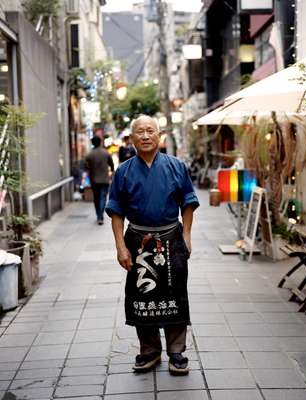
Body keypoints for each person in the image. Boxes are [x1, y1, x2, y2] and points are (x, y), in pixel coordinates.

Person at [106, 115, 199, 375]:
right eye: (140, 132)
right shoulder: (123, 171)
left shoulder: (176, 166)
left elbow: (188, 203)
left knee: (175, 295)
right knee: (141, 296)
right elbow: (116, 211)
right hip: (137, 240)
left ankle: (176, 351)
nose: (145, 136)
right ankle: (149, 350)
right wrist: (120, 247)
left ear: (159, 135)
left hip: (171, 238)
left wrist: (187, 236)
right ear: (132, 138)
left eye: (150, 131)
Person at [85, 136, 114, 225]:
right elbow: (111, 164)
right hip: (105, 179)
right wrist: (112, 172)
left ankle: (99, 215)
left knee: (96, 198)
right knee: (103, 198)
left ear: (93, 143)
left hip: (94, 180)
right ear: (100, 142)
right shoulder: (106, 153)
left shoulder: (90, 154)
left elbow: (86, 166)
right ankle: (100, 216)